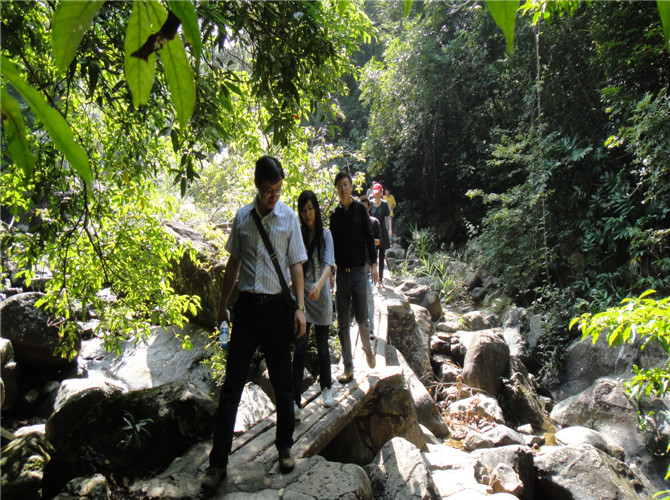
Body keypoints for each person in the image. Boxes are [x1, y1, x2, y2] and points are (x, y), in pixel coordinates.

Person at [201, 156, 307, 490]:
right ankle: (217, 463)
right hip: (246, 309)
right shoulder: (242, 219)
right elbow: (233, 265)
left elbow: (296, 266)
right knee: (232, 385)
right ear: (257, 186)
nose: (273, 196)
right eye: (268, 190)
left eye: (278, 190)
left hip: (277, 309)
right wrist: (222, 307)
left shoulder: (289, 218)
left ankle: (284, 446)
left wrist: (300, 308)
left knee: (283, 382)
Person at [329, 171, 378, 384]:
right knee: (342, 323)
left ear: (351, 186)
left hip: (359, 272)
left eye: (346, 184)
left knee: (362, 319)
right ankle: (348, 367)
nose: (343, 188)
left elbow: (369, 237)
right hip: (342, 274)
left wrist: (374, 265)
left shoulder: (360, 210)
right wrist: (330, 273)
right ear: (336, 189)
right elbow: (331, 247)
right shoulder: (334, 217)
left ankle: (367, 349)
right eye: (339, 185)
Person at [293, 190, 335, 417]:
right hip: (303, 300)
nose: (307, 213)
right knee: (299, 348)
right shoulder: (298, 234)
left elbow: (329, 264)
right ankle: (294, 400)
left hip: (321, 297)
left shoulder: (325, 234)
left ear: (316, 209)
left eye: (310, 208)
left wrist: (319, 285)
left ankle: (326, 388)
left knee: (322, 347)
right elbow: (292, 262)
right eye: (303, 209)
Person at [360, 195, 381, 341]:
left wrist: (368, 239)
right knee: (360, 297)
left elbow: (379, 242)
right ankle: (363, 326)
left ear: (368, 207)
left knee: (369, 297)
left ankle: (371, 328)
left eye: (365, 207)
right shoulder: (355, 223)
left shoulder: (374, 222)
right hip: (358, 263)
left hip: (369, 263)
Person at [370, 182, 391, 287]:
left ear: (381, 192)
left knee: (381, 256)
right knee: (372, 254)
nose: (377, 194)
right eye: (375, 192)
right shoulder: (370, 203)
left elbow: (388, 218)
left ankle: (381, 279)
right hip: (373, 231)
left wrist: (390, 230)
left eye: (378, 192)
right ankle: (373, 277)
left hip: (382, 230)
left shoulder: (384, 204)